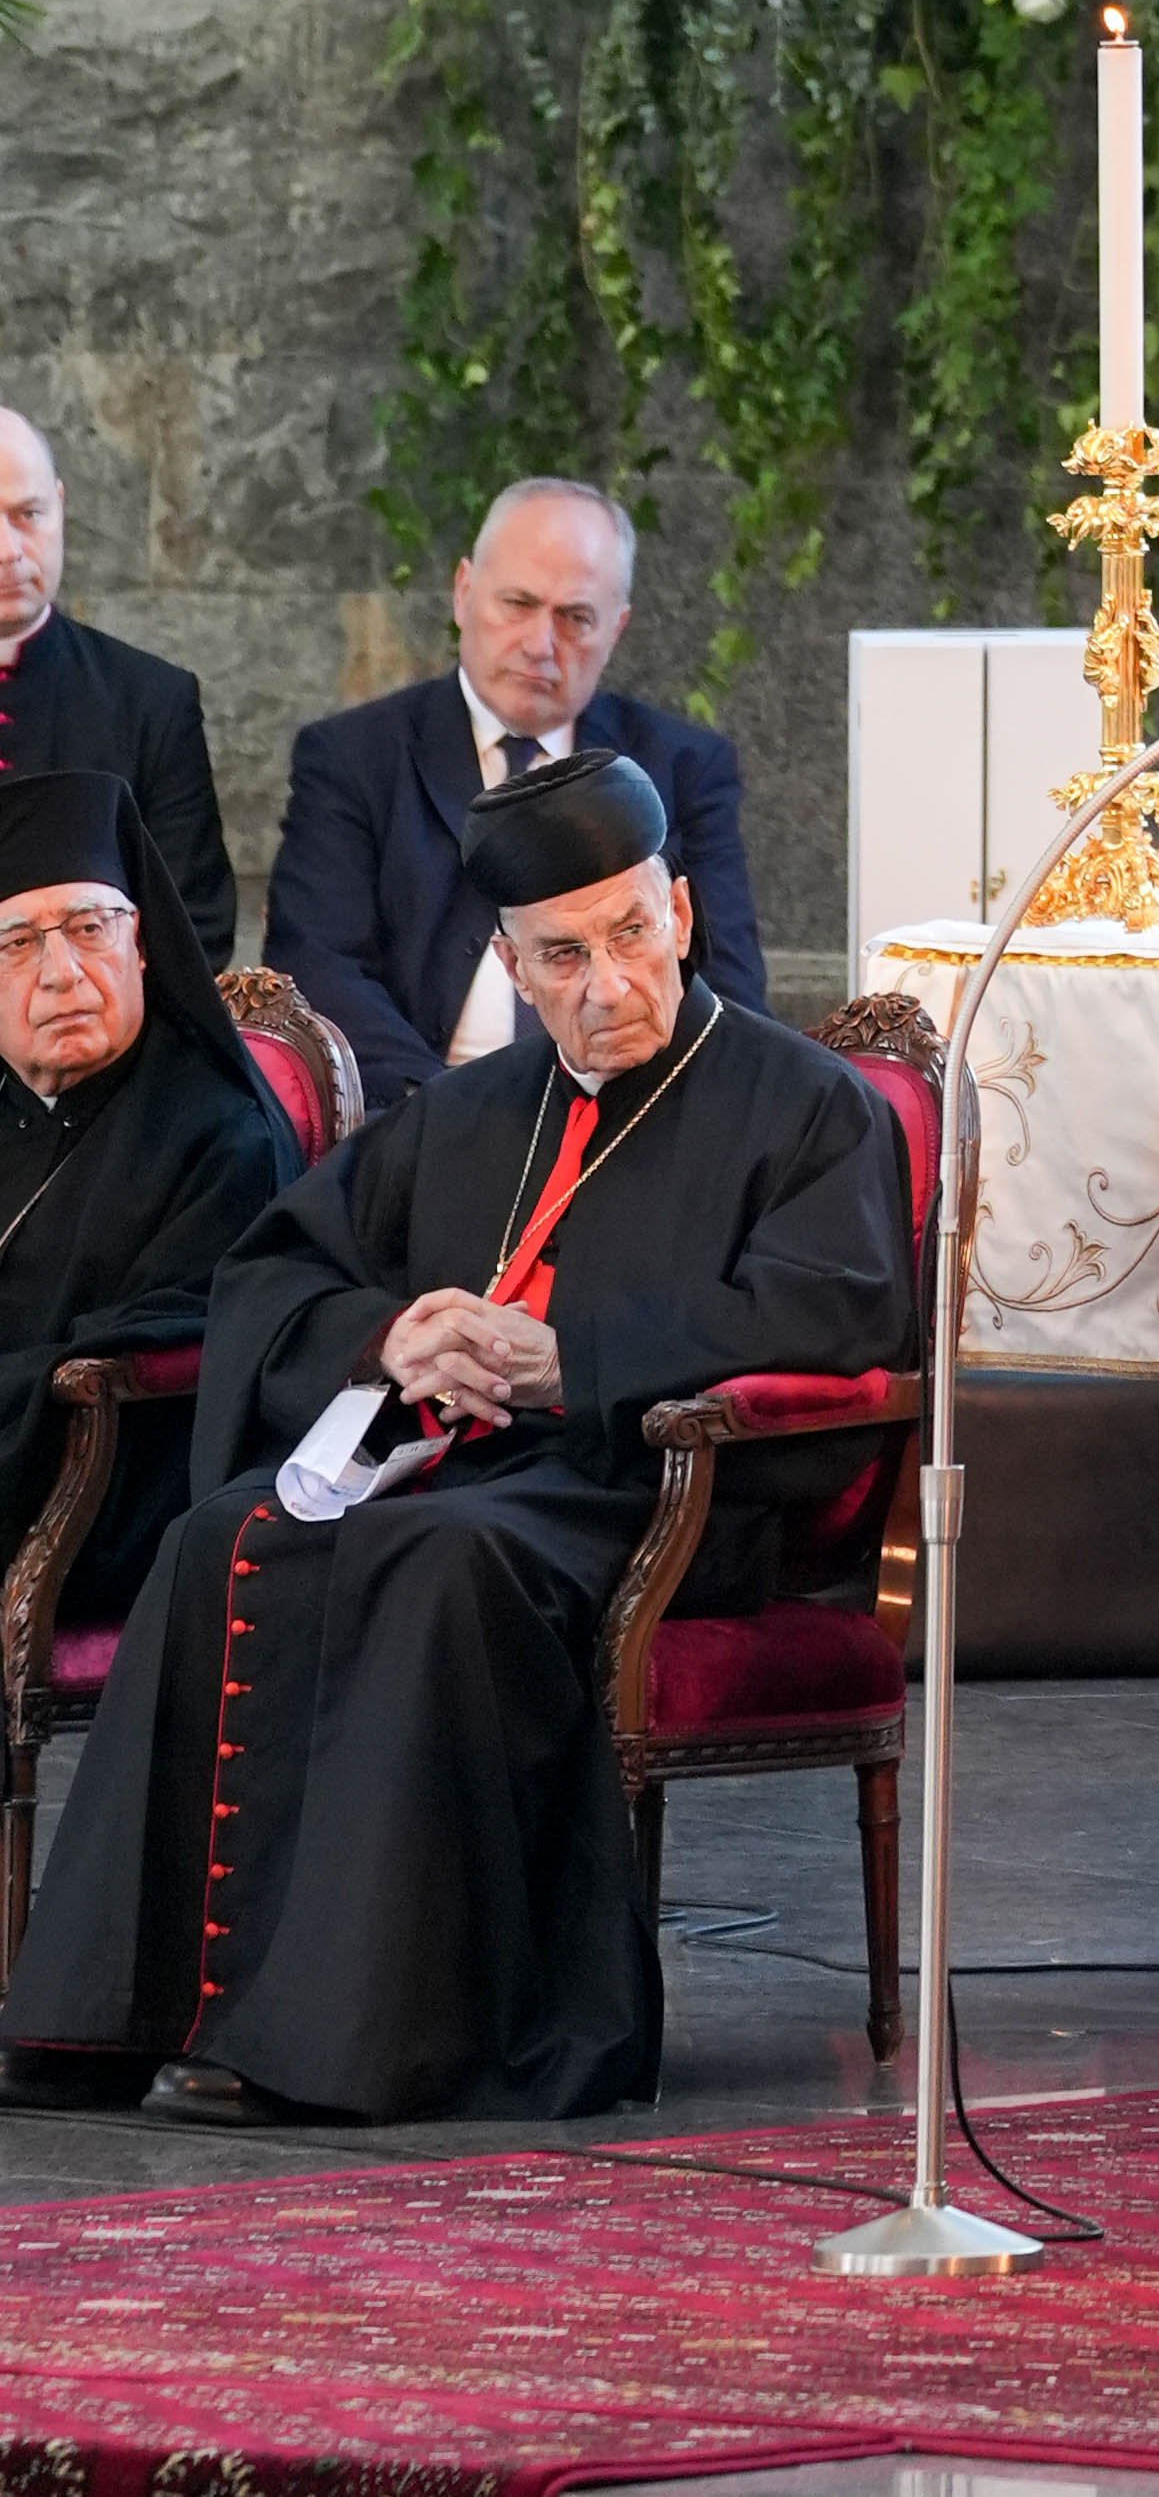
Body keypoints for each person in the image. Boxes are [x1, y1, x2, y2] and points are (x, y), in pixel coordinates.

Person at [2, 744, 910, 2123]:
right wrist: (389, 1338)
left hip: (652, 1489)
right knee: (218, 1536)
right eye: (560, 956)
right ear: (512, 961)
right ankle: (114, 2012)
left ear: (680, 909)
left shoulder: (805, 1104)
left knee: (436, 1560)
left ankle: (345, 2039)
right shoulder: (471, 1110)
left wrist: (574, 1364)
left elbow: (836, 1309)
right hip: (449, 1468)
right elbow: (274, 1272)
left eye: (627, 933)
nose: (605, 984)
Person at [265, 476, 763, 1106]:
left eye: (575, 618)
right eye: (518, 604)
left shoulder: (681, 767)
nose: (539, 644)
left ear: (617, 627)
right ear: (464, 592)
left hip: (627, 1125)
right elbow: (319, 967)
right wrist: (455, 1122)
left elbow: (729, 987)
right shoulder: (354, 758)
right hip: (413, 1114)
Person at [0, 770, 292, 1622]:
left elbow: (166, 1348)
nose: (62, 974)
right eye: (18, 944)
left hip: (115, 1500)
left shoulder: (221, 1129)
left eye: (90, 929)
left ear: (141, 945)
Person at [0, 415, 235, 967]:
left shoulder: (150, 701)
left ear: (60, 506)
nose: (9, 551)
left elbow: (197, 928)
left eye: (28, 515)